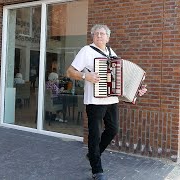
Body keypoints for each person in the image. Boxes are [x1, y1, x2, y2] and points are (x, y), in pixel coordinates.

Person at [66, 24, 147, 180]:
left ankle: (93, 154)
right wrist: (85, 76)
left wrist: (137, 90)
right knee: (95, 135)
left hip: (111, 100)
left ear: (108, 37)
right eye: (96, 34)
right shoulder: (86, 51)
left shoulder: (111, 53)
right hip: (94, 101)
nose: (99, 36)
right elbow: (70, 71)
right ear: (92, 36)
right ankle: (97, 169)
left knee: (113, 129)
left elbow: (122, 78)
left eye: (102, 34)